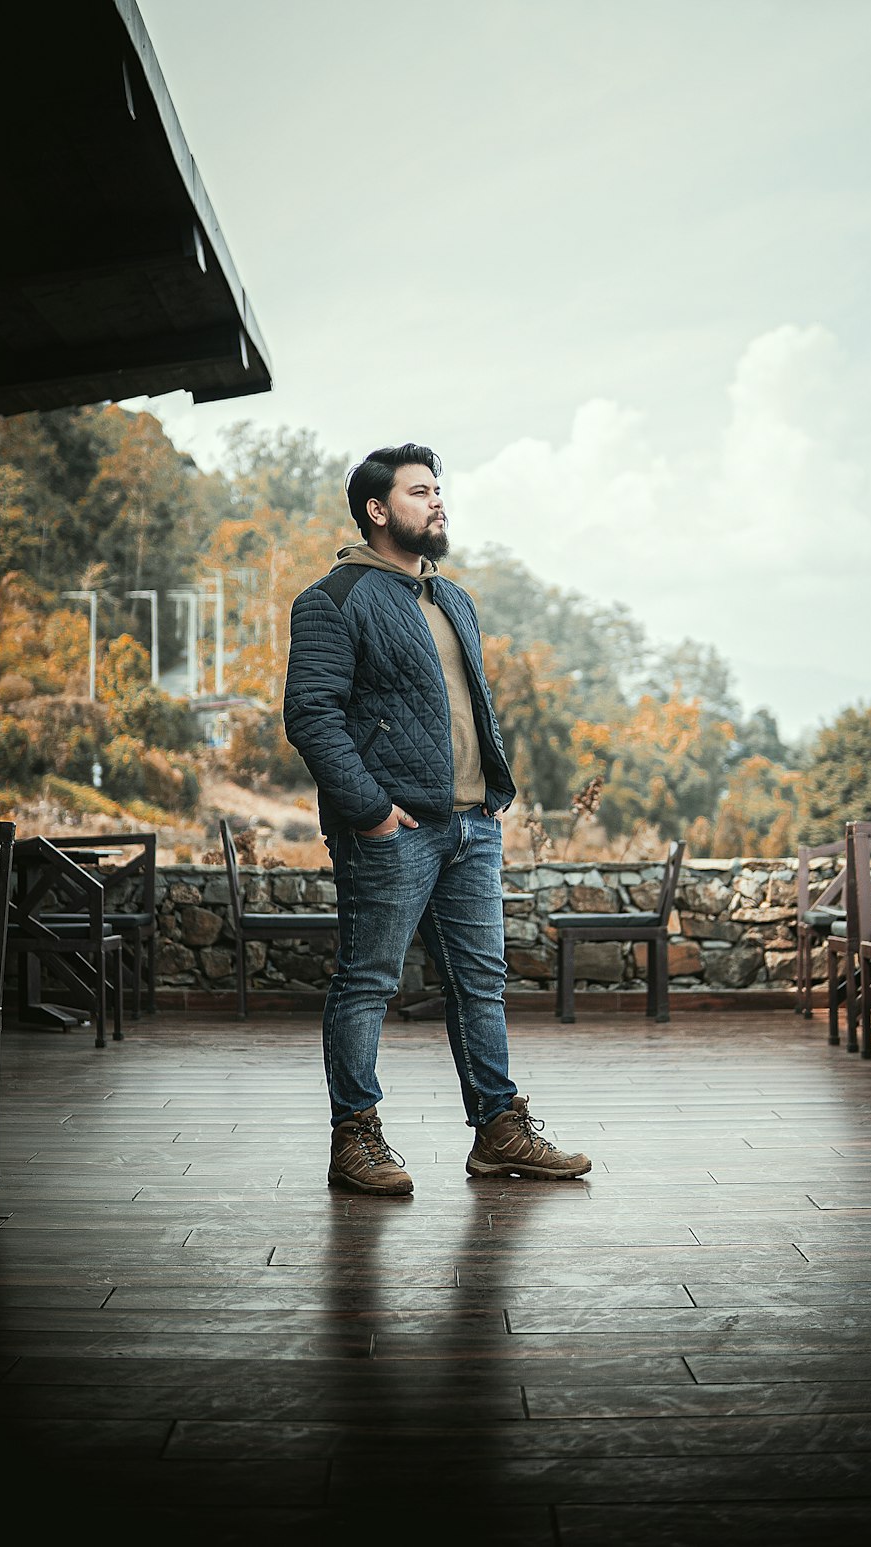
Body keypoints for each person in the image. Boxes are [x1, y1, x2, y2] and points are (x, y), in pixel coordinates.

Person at [283, 442, 591, 1195]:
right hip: (396, 831)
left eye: (439, 490)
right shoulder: (334, 597)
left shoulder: (453, 599)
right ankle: (353, 1136)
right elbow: (310, 716)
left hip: (471, 826)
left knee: (481, 982)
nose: (438, 502)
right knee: (367, 982)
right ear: (378, 509)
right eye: (420, 492)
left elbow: (465, 707)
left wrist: (492, 796)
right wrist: (371, 812)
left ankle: (497, 1130)